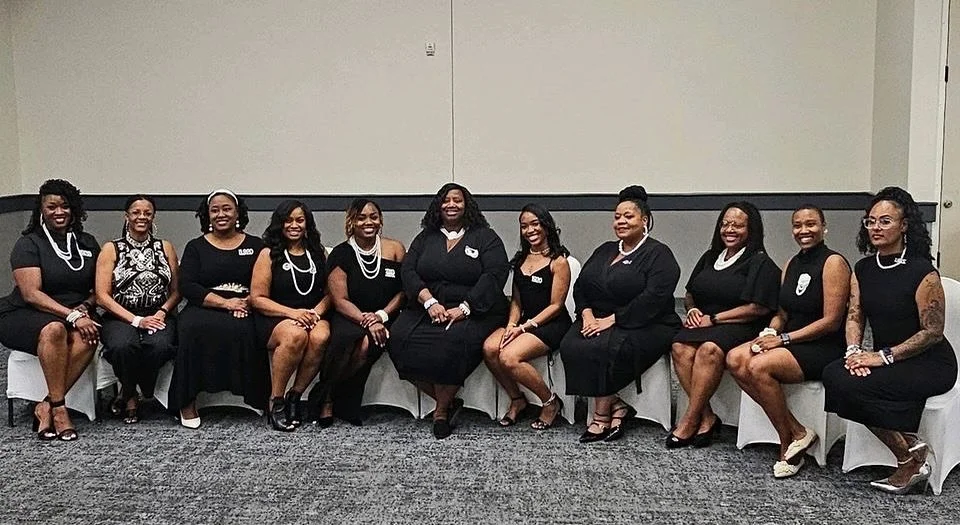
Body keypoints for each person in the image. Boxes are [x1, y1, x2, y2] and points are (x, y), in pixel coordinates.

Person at [822, 187, 957, 494]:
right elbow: (855, 314)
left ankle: (908, 461)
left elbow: (932, 332)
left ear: (904, 225)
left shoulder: (923, 271)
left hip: (929, 363)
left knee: (853, 386)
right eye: (870, 222)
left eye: (885, 221)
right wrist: (854, 352)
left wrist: (881, 357)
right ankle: (911, 450)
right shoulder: (864, 268)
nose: (876, 228)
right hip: (884, 357)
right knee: (834, 373)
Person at [726, 205, 850, 477]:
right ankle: (797, 431)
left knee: (759, 367)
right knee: (735, 358)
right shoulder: (791, 264)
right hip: (789, 339)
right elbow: (782, 313)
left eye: (811, 224)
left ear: (824, 227)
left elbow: (830, 321)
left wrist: (783, 339)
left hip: (823, 346)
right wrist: (770, 332)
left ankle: (787, 442)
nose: (803, 230)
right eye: (797, 225)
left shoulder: (834, 263)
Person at [560, 186, 681, 443]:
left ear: (644, 220)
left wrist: (612, 320)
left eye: (628, 216)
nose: (621, 222)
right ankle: (617, 404)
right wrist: (587, 314)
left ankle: (601, 416)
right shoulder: (605, 249)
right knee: (571, 343)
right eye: (617, 217)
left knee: (604, 347)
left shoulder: (659, 254)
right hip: (598, 318)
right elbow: (581, 286)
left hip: (648, 322)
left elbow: (653, 299)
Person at [391, 182, 509, 439]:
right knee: (398, 338)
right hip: (428, 307)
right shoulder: (425, 237)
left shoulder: (485, 237)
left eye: (457, 200)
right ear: (438, 206)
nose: (451, 204)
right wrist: (429, 302)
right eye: (446, 200)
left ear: (467, 205)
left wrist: (465, 308)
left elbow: (495, 274)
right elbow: (408, 271)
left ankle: (442, 410)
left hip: (477, 309)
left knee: (451, 341)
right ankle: (446, 399)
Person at [669, 201, 780, 448]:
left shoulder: (759, 262)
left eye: (738, 225)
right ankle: (706, 416)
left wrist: (716, 319)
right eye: (725, 224)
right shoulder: (710, 257)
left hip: (742, 326)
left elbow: (757, 308)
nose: (730, 229)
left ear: (751, 229)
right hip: (706, 322)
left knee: (709, 349)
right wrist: (693, 309)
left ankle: (689, 419)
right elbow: (690, 292)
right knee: (679, 347)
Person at [0, 179, 100, 441]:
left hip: (76, 312)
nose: (59, 212)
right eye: (51, 206)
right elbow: (31, 294)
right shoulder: (29, 244)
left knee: (89, 335)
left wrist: (85, 306)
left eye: (65, 206)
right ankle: (60, 411)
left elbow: (99, 289)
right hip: (25, 313)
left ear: (74, 209)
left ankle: (46, 404)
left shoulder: (87, 242)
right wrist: (72, 315)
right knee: (54, 330)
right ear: (41, 210)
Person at [171, 189, 268, 428]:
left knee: (247, 330)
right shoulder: (195, 247)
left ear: (238, 213)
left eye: (227, 209)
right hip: (204, 306)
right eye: (214, 210)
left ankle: (255, 397)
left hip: (246, 305)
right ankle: (187, 401)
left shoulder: (256, 245)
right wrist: (226, 303)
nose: (221, 214)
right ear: (207, 215)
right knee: (191, 330)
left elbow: (266, 281)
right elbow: (188, 286)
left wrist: (246, 301)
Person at [483, 204, 571, 430]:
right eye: (524, 226)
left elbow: (556, 306)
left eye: (535, 224)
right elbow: (516, 301)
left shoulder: (558, 261)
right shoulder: (521, 259)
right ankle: (517, 399)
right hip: (523, 321)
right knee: (490, 348)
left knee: (509, 357)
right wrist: (513, 324)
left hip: (551, 323)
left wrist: (523, 328)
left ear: (546, 226)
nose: (530, 230)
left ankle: (550, 402)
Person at [95, 194, 181, 424]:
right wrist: (136, 321)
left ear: (153, 217)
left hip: (158, 312)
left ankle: (139, 389)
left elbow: (176, 290)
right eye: (136, 212)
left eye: (147, 213)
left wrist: (162, 312)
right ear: (126, 216)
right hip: (119, 315)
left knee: (160, 346)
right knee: (123, 346)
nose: (141, 217)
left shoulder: (166, 247)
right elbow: (102, 296)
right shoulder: (111, 249)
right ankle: (130, 394)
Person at [319, 198, 405, 426]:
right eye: (362, 217)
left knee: (368, 344)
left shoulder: (395, 249)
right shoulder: (341, 253)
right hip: (350, 315)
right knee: (349, 340)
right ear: (352, 222)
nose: (369, 222)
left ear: (381, 220)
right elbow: (340, 300)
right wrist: (368, 321)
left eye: (374, 217)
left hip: (386, 315)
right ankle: (327, 400)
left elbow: (404, 292)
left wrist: (381, 316)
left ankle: (328, 392)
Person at [250, 200, 330, 431]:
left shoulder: (318, 252)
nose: (294, 225)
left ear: (307, 224)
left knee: (321, 337)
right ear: (280, 223)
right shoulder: (268, 254)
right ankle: (276, 401)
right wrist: (293, 313)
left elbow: (330, 293)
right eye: (288, 220)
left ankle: (296, 395)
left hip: (312, 314)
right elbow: (257, 298)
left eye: (299, 220)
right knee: (295, 336)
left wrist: (315, 313)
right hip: (275, 315)